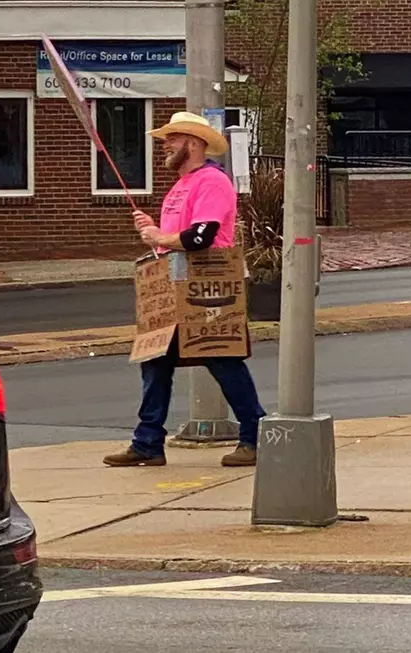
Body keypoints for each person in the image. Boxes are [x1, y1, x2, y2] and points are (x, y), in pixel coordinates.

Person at [102, 111, 266, 468]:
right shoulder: (182, 185)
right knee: (155, 360)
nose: (166, 144)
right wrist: (156, 232)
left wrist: (160, 236)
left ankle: (255, 436)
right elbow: (179, 237)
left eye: (172, 138)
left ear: (193, 143)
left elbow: (201, 236)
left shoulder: (211, 181)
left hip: (207, 283)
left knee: (222, 357)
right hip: (175, 282)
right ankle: (148, 442)